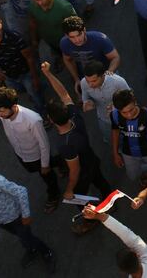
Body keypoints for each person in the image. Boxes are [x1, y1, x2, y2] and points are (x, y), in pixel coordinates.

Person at [44, 64, 112, 234]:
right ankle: (112, 202)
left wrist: (69, 190)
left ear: (51, 121)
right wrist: (48, 73)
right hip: (91, 159)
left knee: (80, 199)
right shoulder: (75, 116)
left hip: (83, 172)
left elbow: (74, 171)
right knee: (101, 181)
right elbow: (64, 94)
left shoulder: (66, 144)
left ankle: (90, 219)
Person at [0, 86, 60, 213]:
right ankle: (63, 162)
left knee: (47, 175)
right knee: (33, 169)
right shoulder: (0, 110)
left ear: (13, 106)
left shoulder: (33, 119)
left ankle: (54, 194)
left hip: (36, 155)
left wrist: (45, 164)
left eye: (2, 111)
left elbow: (44, 144)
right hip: (20, 153)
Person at [0, 171, 55, 271]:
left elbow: (21, 191)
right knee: (21, 237)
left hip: (16, 218)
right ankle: (31, 249)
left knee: (27, 237)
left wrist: (26, 215)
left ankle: (46, 252)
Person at [0, 11, 43, 115]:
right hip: (7, 75)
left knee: (35, 95)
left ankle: (42, 113)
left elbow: (30, 58)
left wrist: (34, 78)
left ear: (1, 23)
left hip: (25, 73)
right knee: (17, 92)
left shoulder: (15, 37)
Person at [80, 205, 147, 278]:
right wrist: (99, 216)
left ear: (122, 271)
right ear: (137, 255)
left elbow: (126, 234)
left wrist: (99, 216)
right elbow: (127, 235)